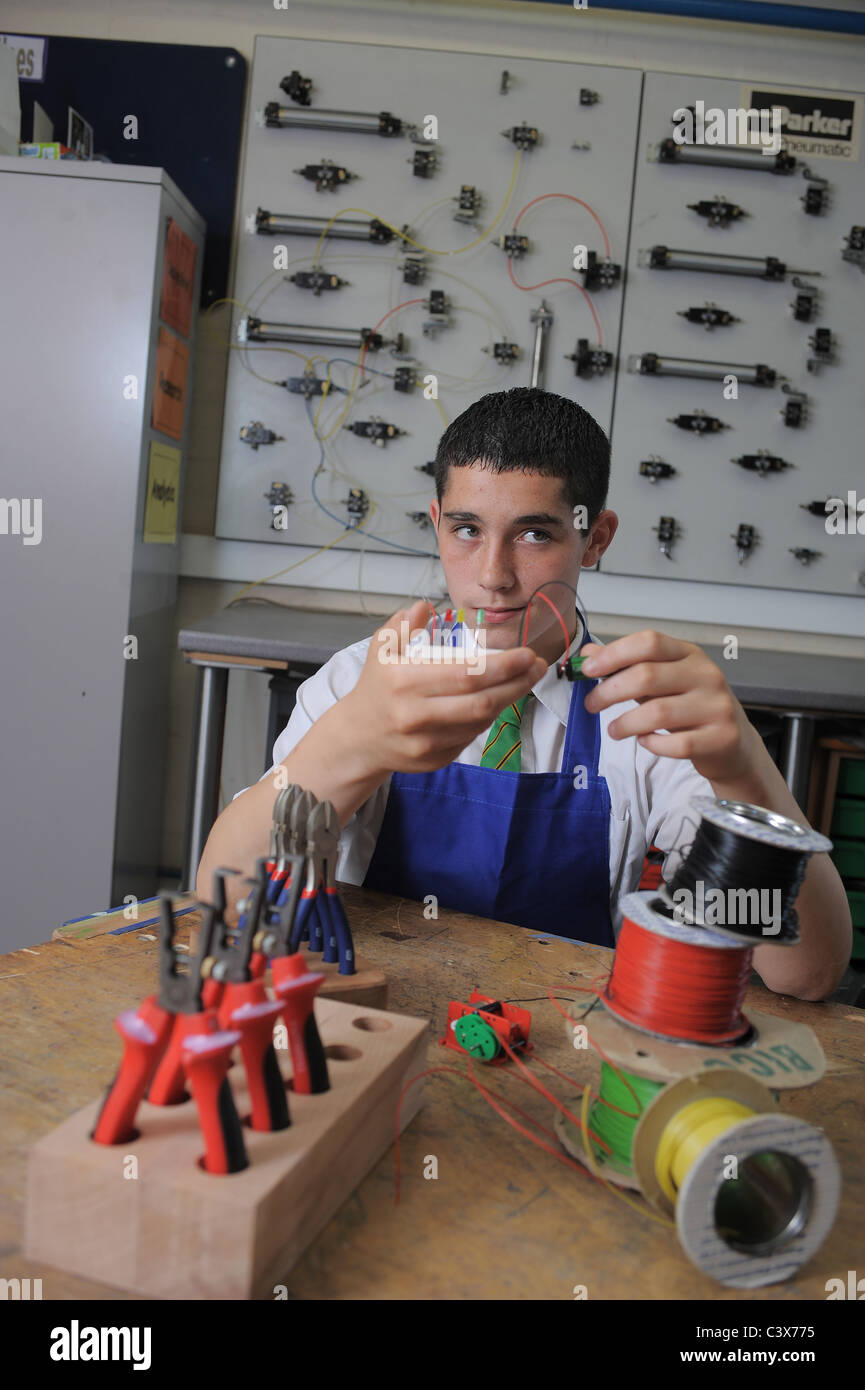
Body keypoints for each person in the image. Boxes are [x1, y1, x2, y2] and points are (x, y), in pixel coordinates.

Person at [196, 388, 851, 999]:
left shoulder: (644, 712)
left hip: (566, 1053)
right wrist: (348, 743)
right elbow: (225, 906)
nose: (493, 577)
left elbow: (804, 974)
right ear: (435, 523)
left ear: (594, 538)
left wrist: (748, 779)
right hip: (380, 1023)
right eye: (466, 529)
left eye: (534, 534)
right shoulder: (354, 683)